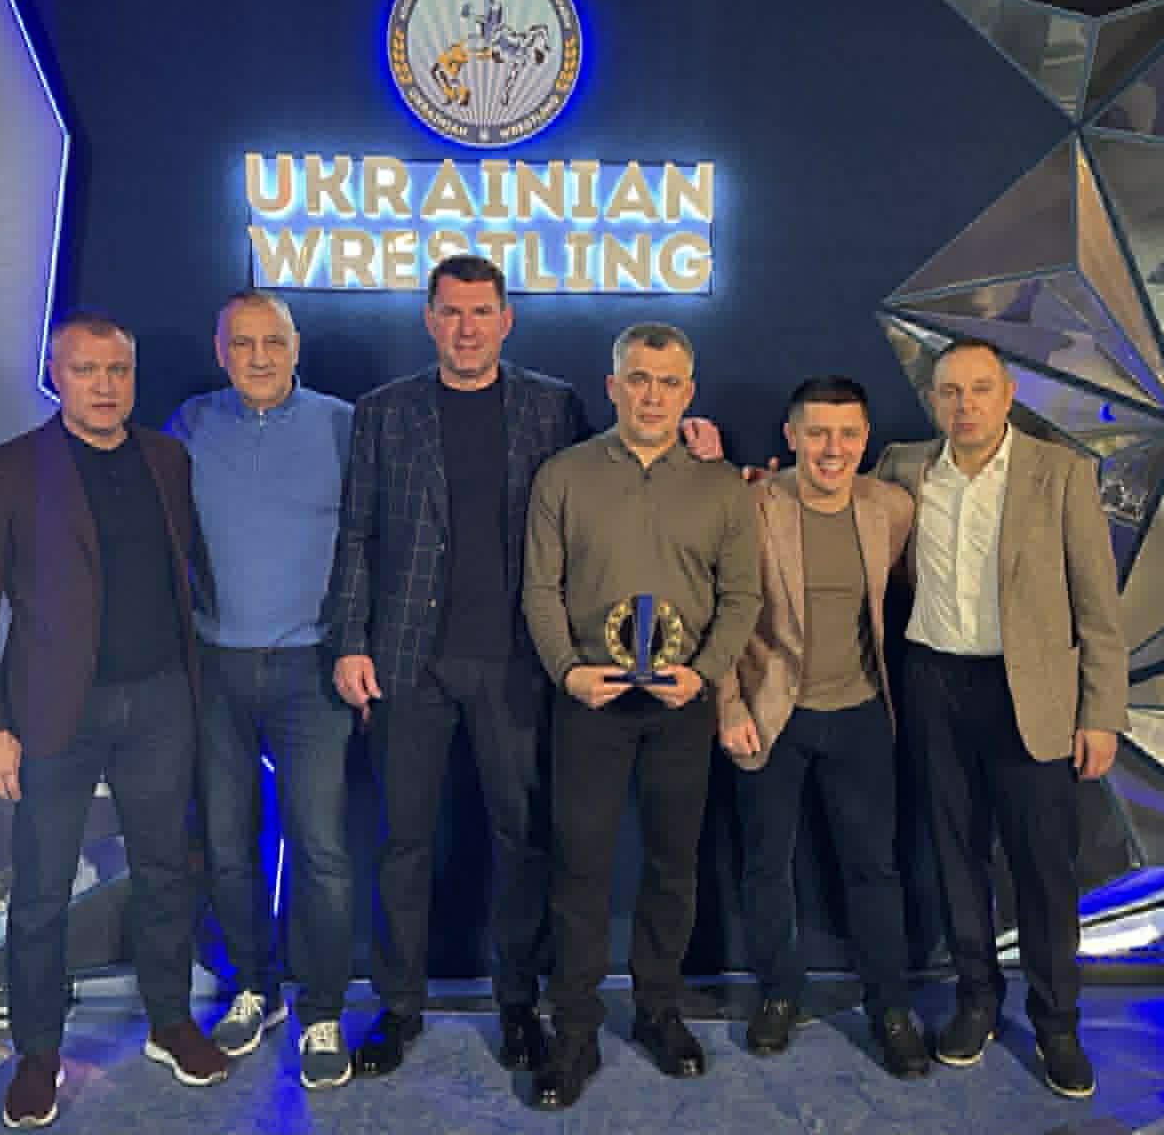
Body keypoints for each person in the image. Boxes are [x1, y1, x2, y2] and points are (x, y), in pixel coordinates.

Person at [327, 255, 721, 1079]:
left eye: (481, 312)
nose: (466, 327)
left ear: (506, 321)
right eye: (451, 312)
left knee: (523, 842)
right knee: (403, 843)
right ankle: (399, 1007)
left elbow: (618, 475)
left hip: (519, 662)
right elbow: (356, 531)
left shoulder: (554, 406)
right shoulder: (383, 413)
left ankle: (518, 1005)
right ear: (429, 319)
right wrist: (350, 640)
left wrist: (699, 450)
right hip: (408, 660)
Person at [0, 314, 228, 1131]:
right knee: (40, 890)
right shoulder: (3, 472)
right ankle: (38, 1053)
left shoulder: (167, 459)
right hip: (50, 714)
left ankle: (170, 1023)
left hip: (162, 702)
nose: (105, 385)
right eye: (86, 370)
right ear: (56, 376)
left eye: (117, 370)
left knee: (166, 873)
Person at [875, 335, 1126, 1100]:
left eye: (980, 388)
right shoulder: (902, 467)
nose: (966, 404)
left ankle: (1057, 1024)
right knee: (957, 857)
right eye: (950, 391)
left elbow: (1098, 607)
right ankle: (976, 1001)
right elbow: (827, 506)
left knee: (1043, 868)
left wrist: (1100, 713)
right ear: (933, 401)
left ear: (1008, 395)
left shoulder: (1062, 474)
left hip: (1031, 695)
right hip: (933, 683)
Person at [521, 322, 761, 1110]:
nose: (652, 395)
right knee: (580, 866)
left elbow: (742, 597)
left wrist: (705, 675)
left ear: (688, 393)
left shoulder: (722, 487)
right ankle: (574, 1028)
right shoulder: (564, 475)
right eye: (638, 379)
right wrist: (567, 671)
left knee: (671, 865)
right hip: (589, 702)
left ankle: (660, 1009)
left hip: (680, 705)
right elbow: (541, 589)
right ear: (612, 386)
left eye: (667, 382)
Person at [167, 290, 355, 1089]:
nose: (258, 357)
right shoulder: (190, 425)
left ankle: (323, 1011)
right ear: (221, 352)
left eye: (272, 342)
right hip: (215, 667)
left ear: (295, 346)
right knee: (227, 845)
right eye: (241, 344)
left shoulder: (344, 425)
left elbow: (374, 541)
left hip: (313, 669)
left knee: (322, 850)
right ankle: (255, 987)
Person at [716, 375, 929, 1077]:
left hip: (862, 713)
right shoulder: (752, 505)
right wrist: (728, 705)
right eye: (816, 433)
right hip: (771, 714)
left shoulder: (891, 508)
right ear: (791, 436)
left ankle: (889, 1007)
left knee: (874, 870)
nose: (831, 449)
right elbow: (722, 611)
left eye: (846, 434)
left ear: (865, 439)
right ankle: (779, 993)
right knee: (766, 866)